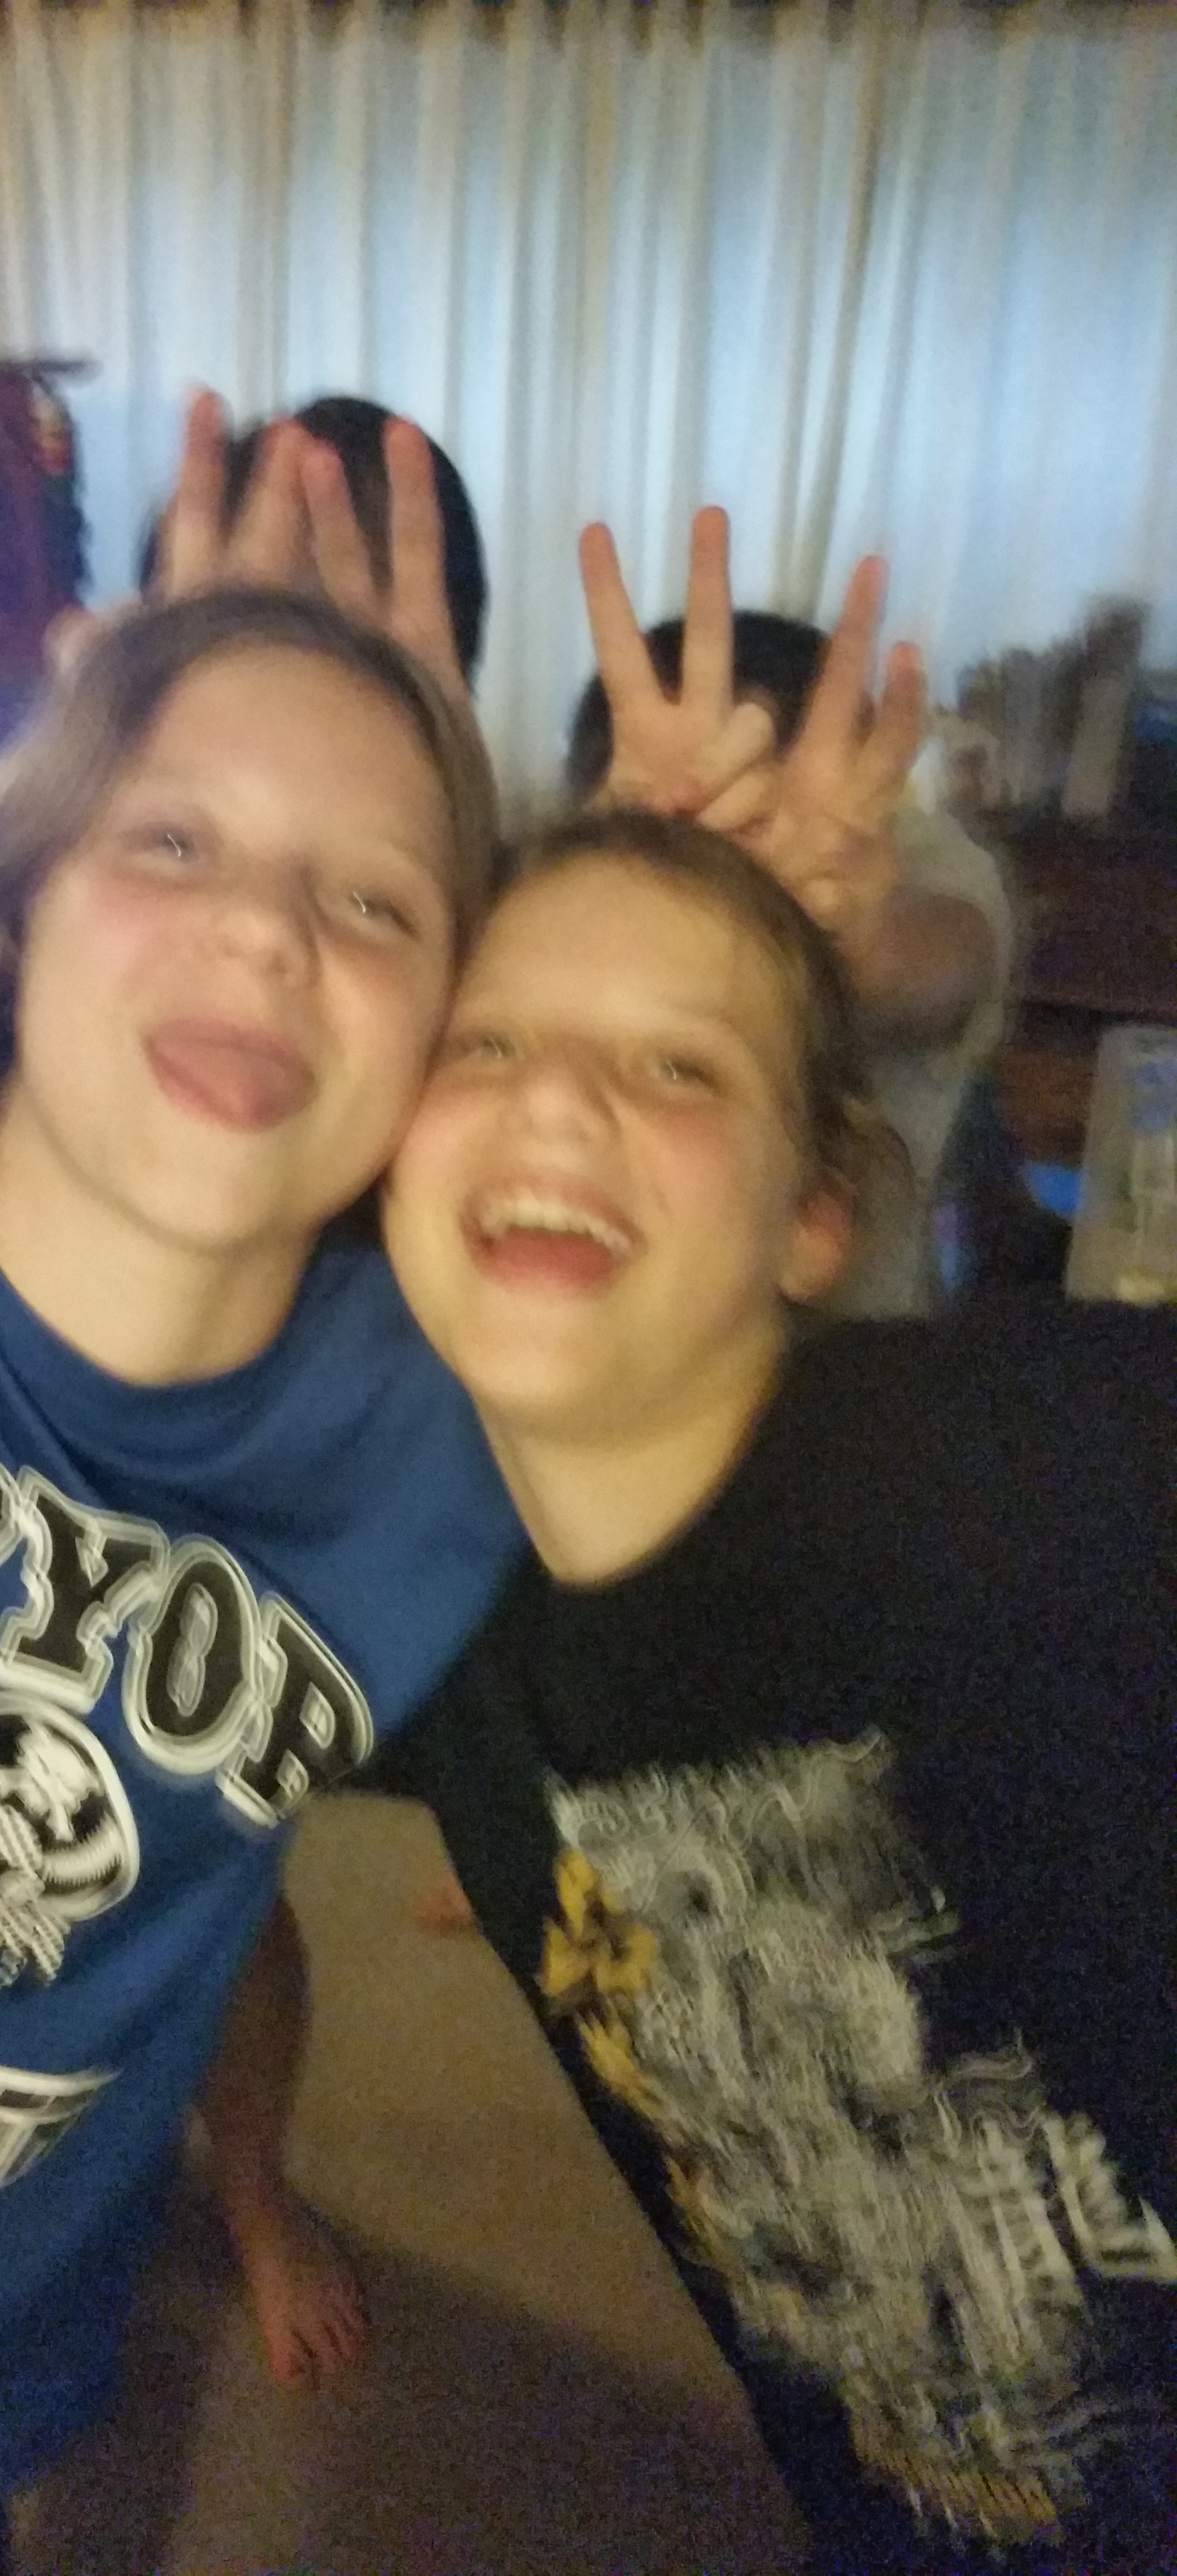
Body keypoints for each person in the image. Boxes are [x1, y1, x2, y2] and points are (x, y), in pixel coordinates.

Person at [0, 584, 521, 2574]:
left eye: (374, 900)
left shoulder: (457, 1437)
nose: (264, 930)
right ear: (16, 906)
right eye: (169, 839)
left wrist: (773, 923)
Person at [373, 804, 1174, 2573]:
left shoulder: (1032, 1470)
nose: (555, 1102)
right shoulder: (425, 1630)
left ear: (816, 1216)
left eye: (678, 1065)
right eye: (485, 1043)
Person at [0, 389, 488, 998]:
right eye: (242, 624)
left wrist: (456, 807)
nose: (262, 929)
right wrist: (98, 720)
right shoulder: (24, 753)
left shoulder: (451, 851)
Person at [564, 567, 1012, 1315]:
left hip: (854, 1357)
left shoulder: (922, 863)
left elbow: (945, 965)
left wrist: (845, 940)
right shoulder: (569, 870)